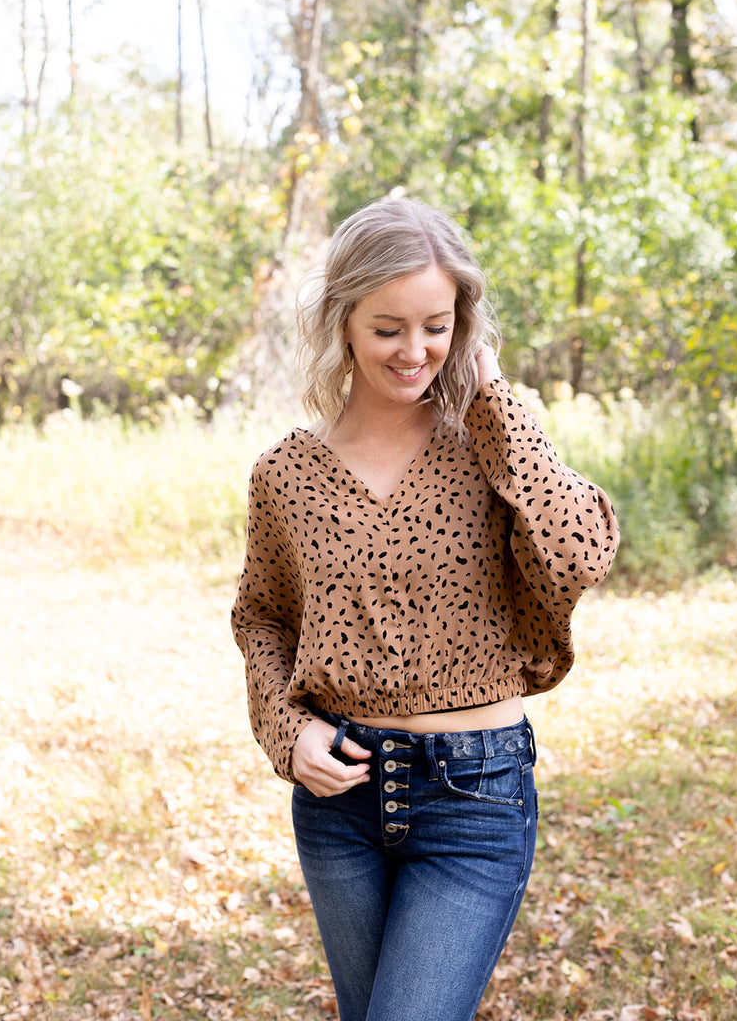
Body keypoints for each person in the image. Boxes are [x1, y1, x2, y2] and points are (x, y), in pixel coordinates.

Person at [231, 197, 619, 1021]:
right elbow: (262, 618)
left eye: (437, 326)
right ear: (342, 323)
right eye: (388, 328)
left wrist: (498, 403)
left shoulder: (495, 444)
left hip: (473, 797)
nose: (416, 351)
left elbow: (581, 551)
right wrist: (286, 728)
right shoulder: (286, 475)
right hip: (339, 803)